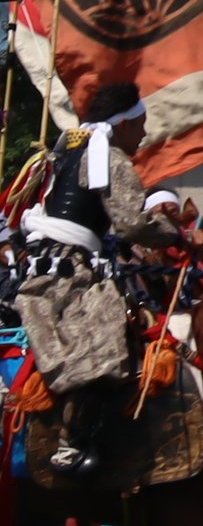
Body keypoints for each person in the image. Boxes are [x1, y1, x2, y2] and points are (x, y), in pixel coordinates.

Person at [18, 102, 156, 480]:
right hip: (67, 277)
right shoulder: (108, 157)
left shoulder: (64, 154)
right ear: (124, 123)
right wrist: (174, 234)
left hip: (42, 268)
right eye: (140, 125)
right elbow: (131, 224)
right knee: (104, 341)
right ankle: (71, 443)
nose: (143, 134)